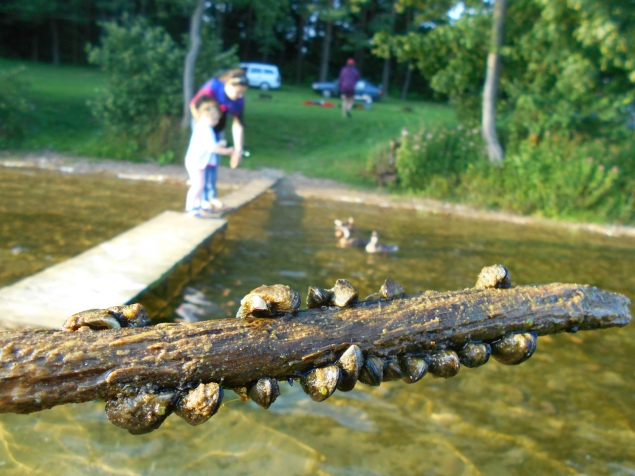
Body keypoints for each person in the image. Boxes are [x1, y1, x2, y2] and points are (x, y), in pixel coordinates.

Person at [190, 69, 248, 210]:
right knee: (203, 160)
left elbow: (237, 125)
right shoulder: (213, 87)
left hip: (218, 128)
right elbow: (194, 105)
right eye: (238, 92)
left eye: (243, 93)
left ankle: (211, 196)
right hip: (203, 126)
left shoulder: (239, 101)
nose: (240, 96)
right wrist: (204, 128)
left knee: (213, 162)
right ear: (229, 85)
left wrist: (238, 151)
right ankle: (202, 199)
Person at [185, 96, 234, 217]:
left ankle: (198, 206)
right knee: (197, 185)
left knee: (200, 185)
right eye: (215, 119)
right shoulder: (204, 129)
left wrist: (220, 144)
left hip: (200, 162)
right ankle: (190, 208)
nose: (217, 122)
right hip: (195, 162)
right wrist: (227, 151)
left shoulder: (204, 127)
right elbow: (212, 148)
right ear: (207, 116)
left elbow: (210, 146)